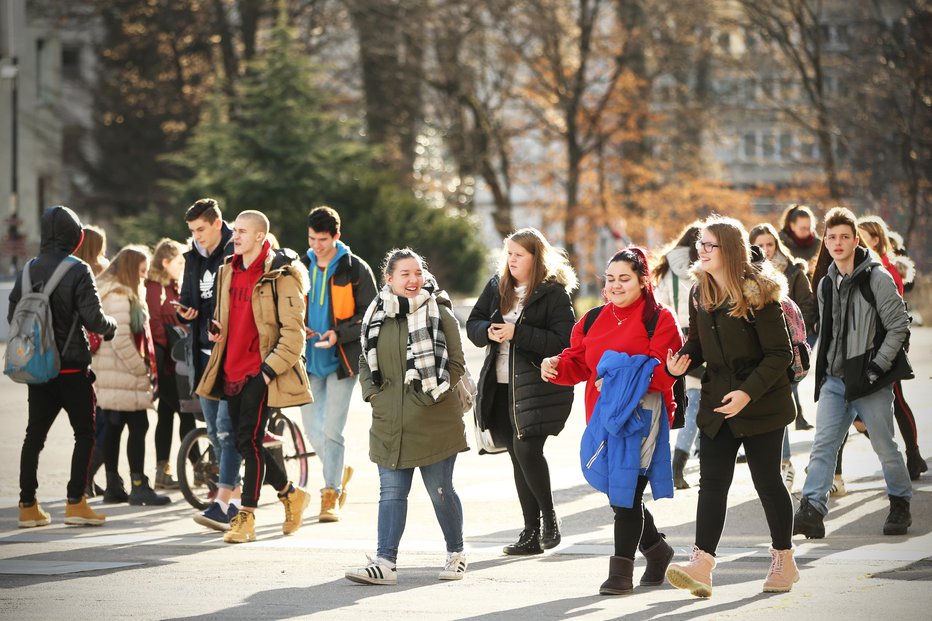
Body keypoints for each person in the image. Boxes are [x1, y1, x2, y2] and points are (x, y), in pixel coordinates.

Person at [664, 216, 798, 597]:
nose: (700, 251)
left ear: (730, 250)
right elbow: (700, 345)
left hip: (761, 403)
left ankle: (784, 561)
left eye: (709, 245)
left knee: (768, 483)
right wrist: (683, 360)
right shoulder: (699, 291)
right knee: (712, 485)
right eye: (700, 245)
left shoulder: (760, 292)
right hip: (717, 403)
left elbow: (779, 355)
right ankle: (702, 564)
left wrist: (747, 394)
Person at [541, 247, 682, 595]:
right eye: (611, 279)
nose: (615, 286)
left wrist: (617, 376)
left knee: (625, 492)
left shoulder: (660, 319)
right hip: (603, 418)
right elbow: (578, 363)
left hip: (643, 417)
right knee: (621, 492)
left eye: (625, 279)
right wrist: (556, 365)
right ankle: (657, 550)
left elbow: (662, 374)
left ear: (643, 281)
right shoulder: (592, 319)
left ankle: (621, 572)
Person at [346, 249, 468, 585]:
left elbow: (456, 364)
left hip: (434, 418)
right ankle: (385, 563)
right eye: (405, 274)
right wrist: (374, 395)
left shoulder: (438, 310)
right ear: (389, 279)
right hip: (389, 419)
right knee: (391, 493)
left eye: (418, 273)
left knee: (440, 491)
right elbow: (365, 360)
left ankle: (456, 553)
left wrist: (429, 396)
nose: (414, 280)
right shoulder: (376, 314)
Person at [794, 207, 913, 539]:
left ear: (856, 240)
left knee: (885, 446)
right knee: (823, 445)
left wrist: (877, 368)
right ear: (826, 241)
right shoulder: (827, 282)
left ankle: (900, 503)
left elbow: (899, 327)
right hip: (835, 380)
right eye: (831, 237)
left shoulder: (878, 277)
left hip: (871, 379)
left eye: (844, 236)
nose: (837, 242)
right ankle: (812, 510)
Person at [195, 210, 313, 543]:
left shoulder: (282, 276)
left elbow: (293, 335)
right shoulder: (227, 271)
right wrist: (216, 329)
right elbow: (224, 318)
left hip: (259, 373)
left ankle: (245, 518)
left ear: (261, 236)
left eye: (243, 231)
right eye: (236, 231)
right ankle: (291, 493)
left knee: (248, 441)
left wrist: (265, 373)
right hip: (229, 370)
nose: (236, 236)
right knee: (247, 442)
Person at [466, 228, 576, 555]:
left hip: (538, 386)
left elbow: (563, 341)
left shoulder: (553, 294)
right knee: (516, 456)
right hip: (500, 386)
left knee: (527, 450)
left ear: (536, 258)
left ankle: (549, 519)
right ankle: (530, 533)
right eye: (508, 254)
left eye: (518, 255)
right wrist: (488, 330)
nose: (511, 260)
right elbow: (473, 325)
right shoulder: (497, 285)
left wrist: (518, 333)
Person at [13, 206, 117, 528]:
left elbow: (12, 317)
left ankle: (28, 506)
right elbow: (93, 319)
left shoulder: (28, 268)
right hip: (72, 368)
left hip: (38, 368)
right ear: (76, 236)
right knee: (85, 434)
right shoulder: (79, 269)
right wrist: (111, 325)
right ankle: (76, 503)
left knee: (34, 436)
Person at [299, 206, 377, 522]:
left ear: (336, 236)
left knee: (332, 430)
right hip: (308, 360)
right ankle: (338, 466)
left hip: (342, 361)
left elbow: (371, 315)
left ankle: (331, 494)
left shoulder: (354, 268)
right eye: (312, 238)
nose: (316, 245)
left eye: (322, 239)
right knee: (312, 429)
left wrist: (338, 334)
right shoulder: (300, 266)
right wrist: (297, 325)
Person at [177, 198, 243, 531]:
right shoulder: (192, 258)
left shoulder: (237, 251)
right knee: (217, 434)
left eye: (201, 229)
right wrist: (183, 312)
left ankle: (229, 503)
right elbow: (189, 300)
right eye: (192, 231)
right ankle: (235, 500)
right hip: (201, 355)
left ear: (217, 223)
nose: (196, 236)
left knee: (228, 431)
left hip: (229, 357)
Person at [95, 245, 171, 506]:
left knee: (115, 427)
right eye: (141, 272)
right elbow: (121, 340)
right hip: (123, 372)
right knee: (139, 426)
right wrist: (141, 369)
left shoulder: (107, 291)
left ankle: (113, 485)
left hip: (111, 374)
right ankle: (139, 485)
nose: (143, 277)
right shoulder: (119, 295)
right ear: (129, 269)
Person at [749, 222, 817, 492]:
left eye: (769, 244)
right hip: (760, 356)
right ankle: (778, 466)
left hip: (790, 351)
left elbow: (807, 307)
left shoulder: (792, 270)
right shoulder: (745, 273)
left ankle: (784, 464)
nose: (765, 249)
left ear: (776, 244)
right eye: (759, 245)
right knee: (777, 409)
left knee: (781, 404)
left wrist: (801, 341)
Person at [857, 216, 926, 480]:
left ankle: (913, 455)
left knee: (896, 399)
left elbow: (893, 317)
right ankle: (902, 453)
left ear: (875, 240)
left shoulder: (885, 269)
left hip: (887, 344)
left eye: (861, 236)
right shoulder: (862, 266)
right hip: (866, 345)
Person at [653, 223, 702, 490]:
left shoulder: (668, 271)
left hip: (675, 341)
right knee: (697, 403)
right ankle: (678, 466)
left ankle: (692, 461)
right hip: (698, 338)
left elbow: (661, 308)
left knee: (695, 402)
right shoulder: (704, 271)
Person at [145, 238, 194, 490]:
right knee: (184, 411)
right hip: (167, 363)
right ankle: (196, 467)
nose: (182, 266)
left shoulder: (174, 286)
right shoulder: (155, 287)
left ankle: (165, 472)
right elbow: (153, 325)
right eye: (179, 262)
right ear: (165, 262)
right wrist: (175, 340)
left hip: (177, 362)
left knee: (169, 415)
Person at [72, 224, 110, 498]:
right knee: (106, 423)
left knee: (94, 422)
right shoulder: (99, 270)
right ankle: (86, 479)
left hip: (81, 352)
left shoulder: (71, 268)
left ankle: (89, 478)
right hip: (104, 349)